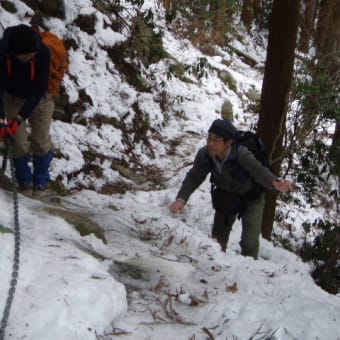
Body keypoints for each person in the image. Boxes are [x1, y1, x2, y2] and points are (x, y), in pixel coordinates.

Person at [169, 118, 292, 259]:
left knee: (249, 243)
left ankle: (249, 273)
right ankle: (216, 270)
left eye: (216, 140)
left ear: (229, 142)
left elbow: (259, 171)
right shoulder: (206, 154)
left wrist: (275, 182)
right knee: (217, 241)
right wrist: (181, 199)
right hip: (227, 196)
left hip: (251, 199)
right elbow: (194, 176)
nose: (210, 143)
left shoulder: (241, 154)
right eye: (209, 138)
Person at [0, 24, 54, 197]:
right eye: (27, 56)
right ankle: (24, 182)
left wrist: (20, 117)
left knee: (40, 140)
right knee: (18, 142)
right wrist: (1, 119)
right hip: (12, 98)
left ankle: (40, 182)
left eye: (33, 55)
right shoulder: (2, 52)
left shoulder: (42, 52)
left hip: (40, 100)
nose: (32, 58)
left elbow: (40, 88)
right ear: (16, 53)